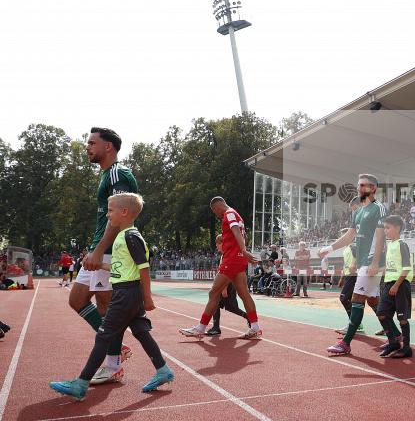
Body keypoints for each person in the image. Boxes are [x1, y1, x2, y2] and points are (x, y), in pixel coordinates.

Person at [50, 193, 173, 400]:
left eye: (110, 211)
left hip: (126, 294)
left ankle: (80, 385)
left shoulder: (130, 236)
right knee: (141, 332)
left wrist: (148, 298)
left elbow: (144, 268)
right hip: (127, 292)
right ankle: (163, 370)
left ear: (124, 212)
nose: (107, 216)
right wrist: (101, 265)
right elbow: (123, 268)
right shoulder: (123, 237)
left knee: (103, 336)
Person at [71, 127, 139, 385]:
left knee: (106, 307)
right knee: (77, 299)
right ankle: (115, 348)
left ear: (108, 146)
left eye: (91, 142)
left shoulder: (117, 174)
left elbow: (121, 214)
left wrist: (100, 250)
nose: (87, 147)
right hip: (99, 246)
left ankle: (112, 364)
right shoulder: (105, 176)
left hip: (110, 250)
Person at [320, 174, 388, 356]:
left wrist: (375, 262)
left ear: (373, 188)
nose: (359, 188)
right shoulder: (358, 212)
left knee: (357, 298)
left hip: (373, 261)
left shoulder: (379, 209)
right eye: (358, 185)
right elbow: (349, 236)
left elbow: (382, 236)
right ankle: (395, 336)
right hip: (364, 263)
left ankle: (346, 343)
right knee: (373, 300)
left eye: (364, 185)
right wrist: (330, 248)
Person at [179, 197, 262, 340]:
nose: (217, 215)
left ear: (216, 207)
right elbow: (241, 233)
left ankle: (200, 328)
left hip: (232, 258)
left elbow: (235, 230)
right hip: (238, 258)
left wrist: (243, 250)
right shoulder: (236, 214)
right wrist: (243, 251)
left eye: (215, 212)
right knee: (244, 294)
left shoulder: (228, 213)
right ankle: (255, 327)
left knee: (213, 293)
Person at [376, 215, 414, 358]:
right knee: (381, 313)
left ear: (397, 228)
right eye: (384, 228)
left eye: (388, 228)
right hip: (388, 283)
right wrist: (378, 270)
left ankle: (407, 348)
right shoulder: (390, 245)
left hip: (400, 284)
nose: (385, 231)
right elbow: (390, 266)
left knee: (402, 318)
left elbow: (406, 268)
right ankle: (393, 342)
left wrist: (397, 285)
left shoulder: (402, 245)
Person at [206, 234, 250, 336]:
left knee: (215, 301)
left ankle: (216, 327)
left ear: (222, 244)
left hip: (227, 284)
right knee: (230, 307)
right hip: (229, 284)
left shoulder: (226, 254)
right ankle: (247, 316)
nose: (216, 246)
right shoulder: (226, 254)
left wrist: (224, 288)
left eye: (217, 244)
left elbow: (227, 272)